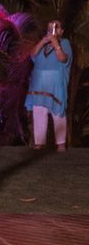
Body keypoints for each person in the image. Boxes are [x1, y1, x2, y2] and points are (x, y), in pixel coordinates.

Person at [24, 19, 73, 151]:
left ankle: (61, 144)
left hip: (55, 85)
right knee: (39, 112)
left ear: (61, 31)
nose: (53, 29)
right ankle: (39, 143)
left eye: (57, 27)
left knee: (58, 113)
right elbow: (32, 55)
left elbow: (63, 58)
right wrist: (43, 41)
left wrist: (55, 43)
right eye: (51, 27)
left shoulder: (65, 43)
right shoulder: (42, 45)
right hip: (39, 84)